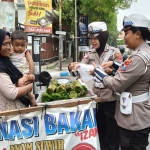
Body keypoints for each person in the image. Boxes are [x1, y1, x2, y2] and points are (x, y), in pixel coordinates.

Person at [93, 14, 150, 150]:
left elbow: (116, 84)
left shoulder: (138, 57)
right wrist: (113, 67)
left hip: (133, 120)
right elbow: (133, 75)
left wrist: (97, 71)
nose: (124, 37)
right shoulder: (144, 53)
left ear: (137, 34)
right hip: (137, 117)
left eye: (126, 32)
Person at [69, 22, 121, 150]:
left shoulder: (115, 52)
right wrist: (72, 67)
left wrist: (112, 70)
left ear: (103, 37)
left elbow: (122, 72)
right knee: (99, 132)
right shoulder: (90, 53)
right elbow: (79, 70)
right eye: (91, 38)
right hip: (96, 100)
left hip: (111, 99)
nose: (93, 41)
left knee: (112, 133)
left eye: (96, 38)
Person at [0, 29, 34, 119]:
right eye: (4, 44)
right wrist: (30, 86)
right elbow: (12, 93)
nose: (8, 47)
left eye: (9, 43)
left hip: (20, 114)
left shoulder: (6, 60)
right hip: (8, 117)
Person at [9, 30, 36, 107]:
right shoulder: (10, 52)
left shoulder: (26, 52)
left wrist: (31, 73)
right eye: (16, 45)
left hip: (24, 72)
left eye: (23, 45)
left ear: (26, 44)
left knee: (20, 83)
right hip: (15, 74)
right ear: (12, 44)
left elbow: (31, 62)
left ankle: (31, 96)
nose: (20, 47)